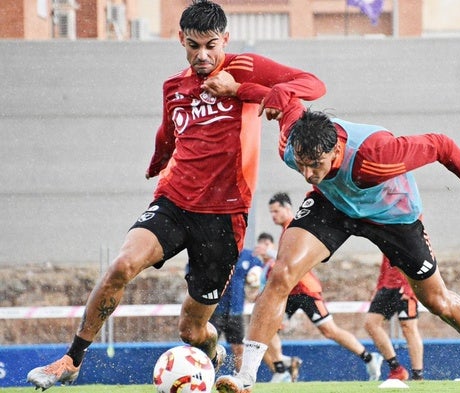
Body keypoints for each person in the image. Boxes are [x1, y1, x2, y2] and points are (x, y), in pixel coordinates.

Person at [26, 1, 326, 390]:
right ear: (181, 40)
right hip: (173, 202)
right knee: (121, 265)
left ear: (226, 40)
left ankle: (211, 350)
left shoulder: (244, 67)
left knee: (192, 330)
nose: (203, 56)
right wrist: (156, 162)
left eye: (211, 46)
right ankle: (71, 359)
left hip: (224, 216)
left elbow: (313, 86)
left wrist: (243, 91)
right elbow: (167, 134)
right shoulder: (173, 86)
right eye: (193, 46)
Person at [215, 92, 460, 393]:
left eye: (315, 165)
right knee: (281, 274)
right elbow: (287, 92)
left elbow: (441, 144)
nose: (307, 174)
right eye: (302, 164)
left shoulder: (378, 154)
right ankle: (246, 377)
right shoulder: (292, 146)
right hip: (333, 204)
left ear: (336, 150)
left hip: (393, 214)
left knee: (438, 302)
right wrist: (240, 88)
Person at [262, 192, 383, 381]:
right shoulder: (285, 230)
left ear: (287, 208)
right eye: (271, 212)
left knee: (329, 330)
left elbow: (295, 260)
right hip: (291, 290)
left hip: (306, 289)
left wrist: (269, 253)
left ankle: (369, 357)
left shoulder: (296, 228)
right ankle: (281, 369)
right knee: (266, 324)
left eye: (276, 211)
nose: (273, 216)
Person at [252, 233, 303, 383]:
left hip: (274, 307)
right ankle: (286, 364)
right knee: (258, 340)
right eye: (261, 245)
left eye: (267, 245)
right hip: (266, 307)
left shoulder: (276, 263)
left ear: (272, 246)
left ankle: (281, 369)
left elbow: (278, 284)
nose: (263, 248)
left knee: (264, 335)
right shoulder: (264, 266)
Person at [365, 255, 424, 381]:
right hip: (387, 286)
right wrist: (379, 285)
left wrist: (411, 286)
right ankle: (396, 368)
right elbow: (387, 257)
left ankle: (418, 376)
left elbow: (421, 256)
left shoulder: (415, 235)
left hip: (407, 284)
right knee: (371, 324)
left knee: (409, 328)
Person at [209, 244, 263, 373]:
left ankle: (240, 377)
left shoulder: (248, 255)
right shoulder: (215, 252)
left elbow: (260, 269)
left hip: (236, 309)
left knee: (239, 346)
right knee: (209, 346)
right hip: (216, 308)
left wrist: (256, 280)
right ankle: (207, 375)